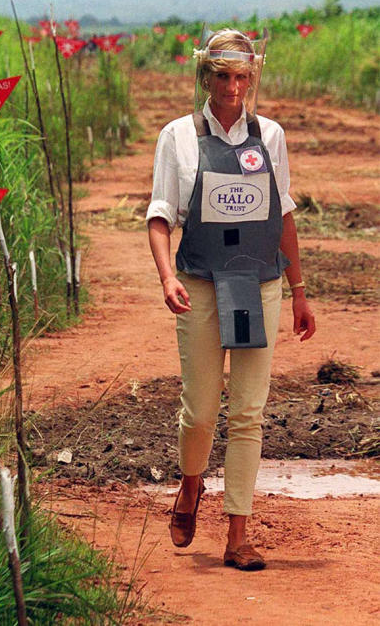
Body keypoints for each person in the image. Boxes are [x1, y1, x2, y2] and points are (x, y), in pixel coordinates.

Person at [146, 28, 315, 572]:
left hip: (258, 285)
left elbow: (282, 216)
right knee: (200, 410)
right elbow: (160, 216)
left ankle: (238, 533)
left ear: (252, 78)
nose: (233, 87)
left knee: (247, 412)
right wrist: (166, 275)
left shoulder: (271, 137)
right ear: (206, 76)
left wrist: (299, 291)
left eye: (242, 77)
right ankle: (191, 485)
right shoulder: (178, 136)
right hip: (198, 284)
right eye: (223, 76)